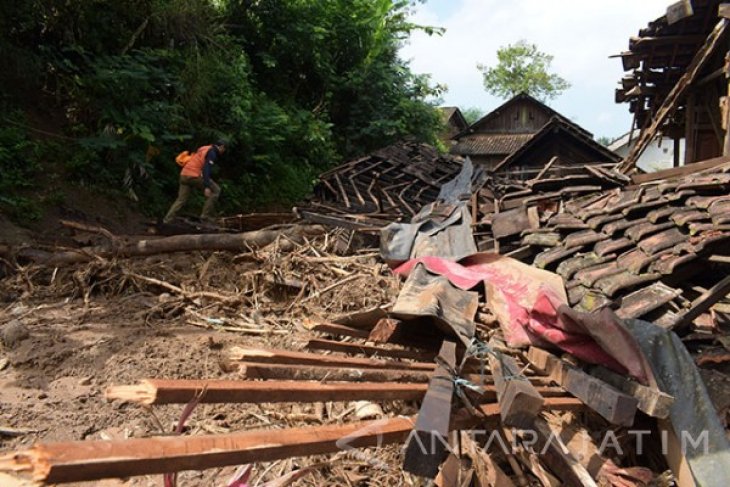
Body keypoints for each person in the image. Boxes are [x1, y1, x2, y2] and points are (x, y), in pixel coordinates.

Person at [164, 140, 226, 223]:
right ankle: (205, 216)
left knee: (181, 199)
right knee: (216, 190)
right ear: (221, 147)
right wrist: (207, 186)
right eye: (224, 149)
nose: (223, 151)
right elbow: (206, 169)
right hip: (193, 175)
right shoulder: (212, 153)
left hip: (184, 175)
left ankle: (167, 219)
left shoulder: (204, 148)